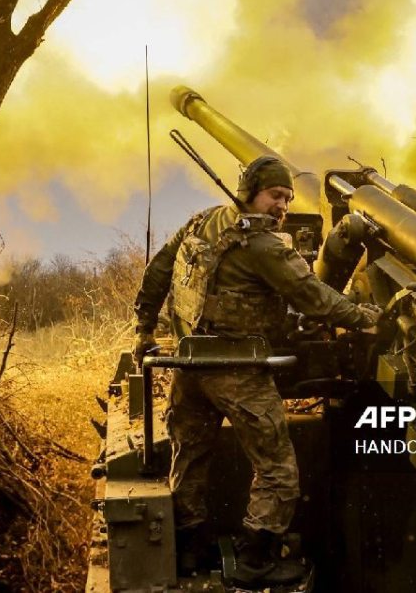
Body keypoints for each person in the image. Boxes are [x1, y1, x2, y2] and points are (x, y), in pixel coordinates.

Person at [132, 156, 379, 586]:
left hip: (188, 365)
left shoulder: (202, 222)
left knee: (190, 456)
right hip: (238, 370)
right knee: (278, 468)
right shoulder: (264, 247)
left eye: (286, 198)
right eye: (274, 196)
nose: (281, 206)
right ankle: (256, 555)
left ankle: (191, 544)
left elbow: (159, 270)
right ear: (249, 192)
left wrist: (144, 329)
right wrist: (364, 317)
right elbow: (312, 297)